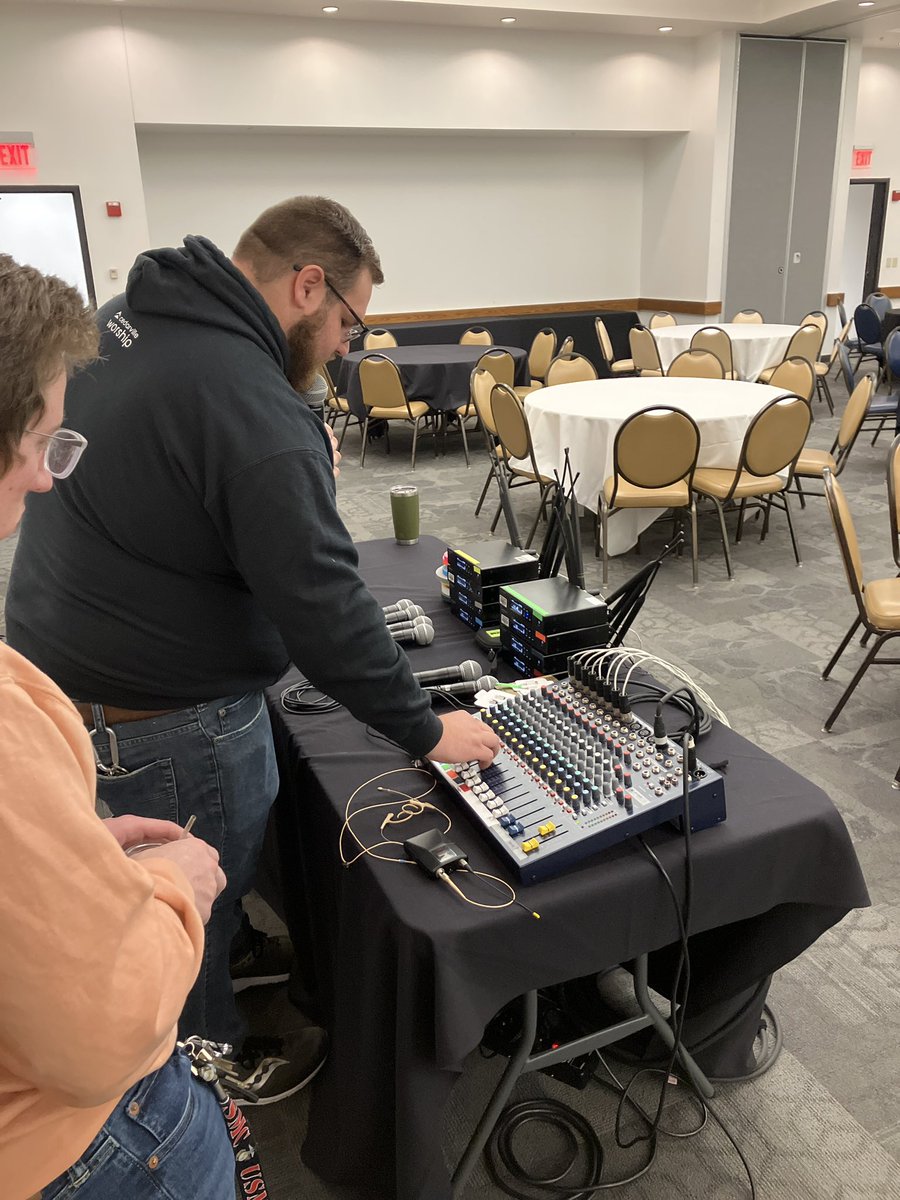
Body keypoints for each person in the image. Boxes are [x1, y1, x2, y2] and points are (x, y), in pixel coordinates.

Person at [7, 195, 500, 1102]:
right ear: (307, 286)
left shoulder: (129, 317)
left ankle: (224, 953)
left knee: (172, 895)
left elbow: (184, 486)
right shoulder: (251, 402)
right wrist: (426, 732)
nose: (349, 346)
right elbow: (321, 598)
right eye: (350, 320)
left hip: (67, 679)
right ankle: (208, 1073)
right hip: (164, 722)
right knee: (174, 913)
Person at [0, 254, 234, 1199]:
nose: (49, 482)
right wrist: (175, 892)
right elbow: (101, 1034)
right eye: (45, 443)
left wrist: (64, 857)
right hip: (81, 1152)